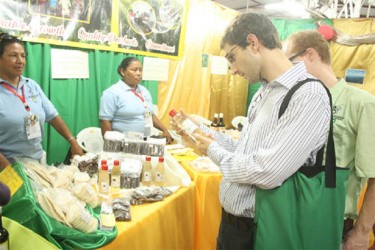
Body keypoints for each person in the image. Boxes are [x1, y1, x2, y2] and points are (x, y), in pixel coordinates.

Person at [173, 13, 331, 249]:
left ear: (253, 43)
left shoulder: (308, 95)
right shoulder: (263, 92)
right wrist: (201, 131)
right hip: (232, 226)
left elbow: (267, 171)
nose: (233, 70)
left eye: (232, 58)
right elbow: (244, 151)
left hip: (266, 229)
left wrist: (213, 150)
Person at [283, 30, 375, 250]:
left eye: (290, 62)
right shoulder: (296, 102)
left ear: (311, 55)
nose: (286, 71)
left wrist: (361, 232)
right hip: (291, 217)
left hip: (332, 221)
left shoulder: (361, 103)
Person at [0, 32, 83, 169]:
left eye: (23, 56)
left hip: (36, 162)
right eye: (13, 56)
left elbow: (52, 116)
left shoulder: (31, 85)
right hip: (7, 167)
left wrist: (72, 141)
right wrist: (8, 169)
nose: (20, 61)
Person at [99, 57, 173, 144]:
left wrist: (164, 130)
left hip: (145, 142)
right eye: (134, 70)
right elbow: (105, 121)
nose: (138, 73)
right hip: (122, 144)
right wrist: (110, 144)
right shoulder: (112, 93)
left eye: (140, 70)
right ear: (123, 72)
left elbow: (149, 114)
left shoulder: (144, 91)